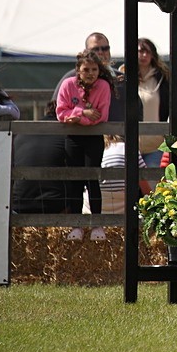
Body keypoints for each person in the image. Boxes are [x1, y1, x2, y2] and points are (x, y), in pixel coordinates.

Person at [57, 50, 113, 241]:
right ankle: (76, 225)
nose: (90, 73)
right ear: (78, 70)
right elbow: (61, 113)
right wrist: (83, 112)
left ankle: (97, 224)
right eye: (86, 69)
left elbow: (101, 116)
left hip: (93, 137)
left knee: (92, 180)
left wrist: (76, 117)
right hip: (73, 137)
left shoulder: (103, 86)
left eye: (94, 69)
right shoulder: (68, 85)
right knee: (75, 180)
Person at [119, 37, 171, 168]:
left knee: (153, 181)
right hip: (128, 144)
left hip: (155, 145)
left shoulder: (163, 79)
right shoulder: (122, 77)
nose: (144, 55)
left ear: (153, 55)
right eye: (140, 51)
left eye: (148, 52)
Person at [52, 32, 124, 123]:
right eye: (95, 49)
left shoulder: (121, 79)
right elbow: (56, 113)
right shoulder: (69, 81)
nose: (101, 52)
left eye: (105, 48)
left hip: (118, 131)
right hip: (74, 131)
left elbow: (136, 109)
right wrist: (81, 114)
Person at [100, 134, 151, 215]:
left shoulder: (97, 151)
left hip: (99, 205)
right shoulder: (129, 149)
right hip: (125, 205)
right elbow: (145, 189)